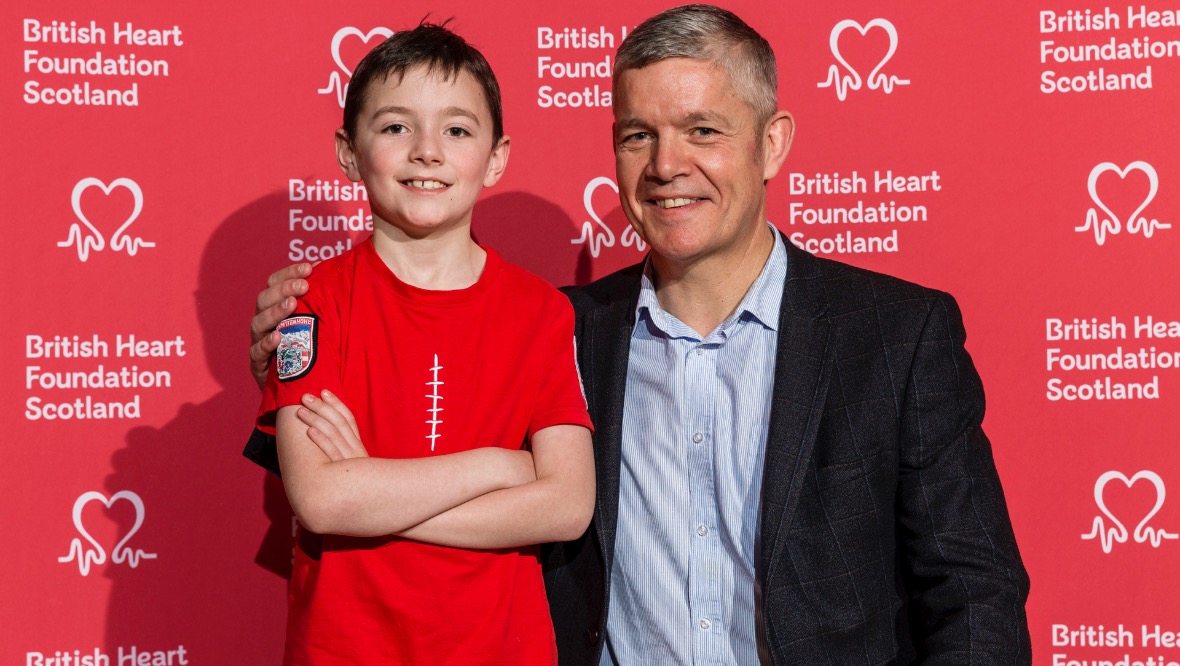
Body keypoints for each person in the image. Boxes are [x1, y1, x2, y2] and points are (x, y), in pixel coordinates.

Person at [249, 6, 1030, 664]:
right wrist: (281, 347)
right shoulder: (567, 327)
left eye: (702, 130)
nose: (666, 165)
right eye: (636, 136)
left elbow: (973, 593)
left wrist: (367, 498)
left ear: (773, 143)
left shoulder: (896, 334)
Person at [250, 22, 595, 664]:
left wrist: (374, 493)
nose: (427, 152)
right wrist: (498, 468)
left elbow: (567, 507)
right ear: (349, 151)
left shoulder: (542, 311)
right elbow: (323, 500)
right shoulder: (314, 300)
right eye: (395, 127)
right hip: (345, 649)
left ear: (496, 156)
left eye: (457, 130)